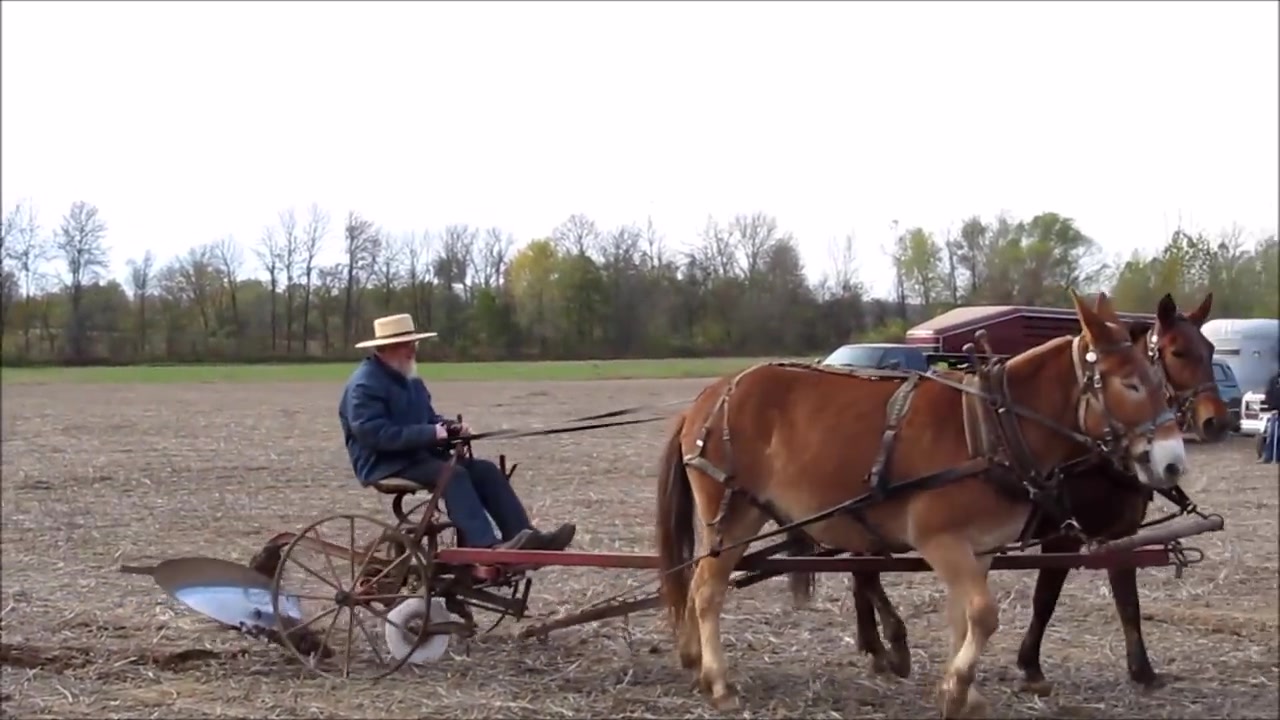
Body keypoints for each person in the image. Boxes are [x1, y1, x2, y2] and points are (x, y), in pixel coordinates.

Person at [339, 313, 576, 551]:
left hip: (417, 455)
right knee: (453, 475)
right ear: (386, 348)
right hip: (385, 463)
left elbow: (429, 419)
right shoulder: (364, 385)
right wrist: (431, 434)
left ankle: (525, 538)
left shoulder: (409, 379)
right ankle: (486, 547)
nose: (413, 350)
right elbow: (374, 434)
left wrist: (450, 428)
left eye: (414, 344)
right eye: (406, 345)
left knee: (485, 470)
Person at [1261, 370, 1280, 464]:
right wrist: (1272, 407)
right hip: (1274, 412)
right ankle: (1268, 456)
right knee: (1271, 434)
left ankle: (1276, 457)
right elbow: (1268, 394)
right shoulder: (1273, 380)